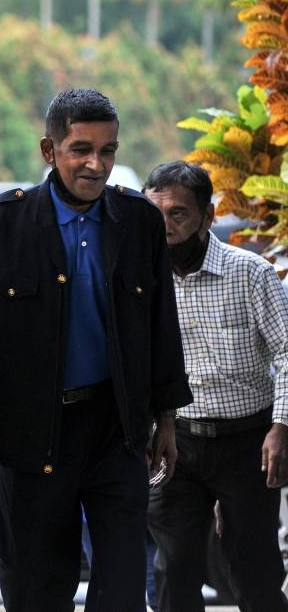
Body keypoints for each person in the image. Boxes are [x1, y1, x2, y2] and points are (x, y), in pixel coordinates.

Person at [0, 88, 191, 612]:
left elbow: (159, 326)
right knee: (35, 583)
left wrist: (165, 420)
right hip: (32, 430)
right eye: (81, 149)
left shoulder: (138, 223)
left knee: (124, 581)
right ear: (48, 149)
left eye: (107, 151)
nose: (95, 164)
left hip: (115, 429)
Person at [143, 160, 288, 612]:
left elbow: (287, 353)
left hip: (248, 443)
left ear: (207, 217)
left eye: (179, 215)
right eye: (156, 214)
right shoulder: (141, 280)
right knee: (173, 569)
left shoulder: (251, 274)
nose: (165, 227)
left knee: (253, 571)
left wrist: (281, 428)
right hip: (175, 442)